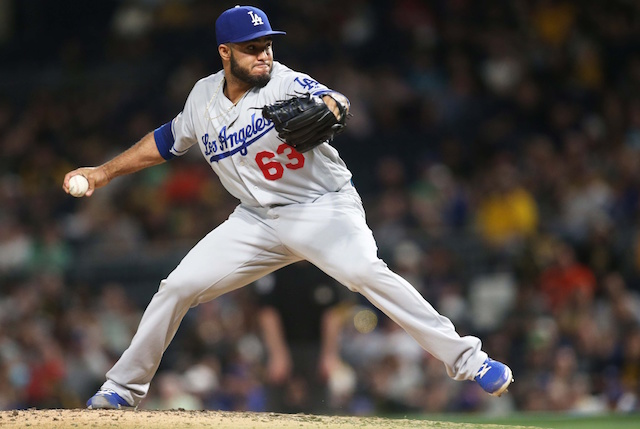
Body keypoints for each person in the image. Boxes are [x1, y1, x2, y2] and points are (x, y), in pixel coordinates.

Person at [63, 5, 513, 410]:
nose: (265, 55)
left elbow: (334, 101)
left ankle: (470, 360)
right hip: (256, 220)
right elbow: (165, 141)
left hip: (322, 207)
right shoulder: (201, 98)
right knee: (177, 287)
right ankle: (122, 388)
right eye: (252, 48)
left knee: (363, 273)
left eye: (268, 45)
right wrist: (102, 173)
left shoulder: (284, 82)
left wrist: (333, 108)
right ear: (225, 52)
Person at [254, 261, 347, 413]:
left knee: (321, 408)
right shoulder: (275, 267)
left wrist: (329, 354)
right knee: (274, 409)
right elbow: (268, 313)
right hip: (283, 344)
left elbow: (332, 315)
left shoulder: (325, 267)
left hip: (315, 346)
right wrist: (277, 354)